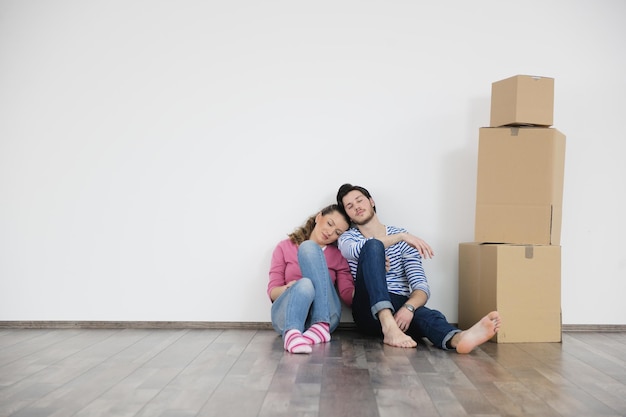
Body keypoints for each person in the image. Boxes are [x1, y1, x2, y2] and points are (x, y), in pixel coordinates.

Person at [336, 183, 501, 353]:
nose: (357, 207)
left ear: (371, 201)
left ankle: (459, 339)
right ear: (348, 215)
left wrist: (409, 308)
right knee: (372, 247)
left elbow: (421, 286)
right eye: (350, 206)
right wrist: (400, 237)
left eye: (359, 201)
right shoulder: (348, 238)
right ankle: (388, 326)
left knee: (427, 316)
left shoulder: (405, 240)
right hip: (367, 307)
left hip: (399, 304)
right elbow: (360, 249)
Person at [267, 204, 354, 354]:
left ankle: (319, 326)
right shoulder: (285, 247)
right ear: (319, 217)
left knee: (308, 250)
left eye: (337, 232)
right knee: (305, 283)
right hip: (286, 317)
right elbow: (272, 292)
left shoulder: (338, 255)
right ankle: (292, 333)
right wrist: (289, 288)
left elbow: (348, 296)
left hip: (327, 318)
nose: (330, 232)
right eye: (329, 223)